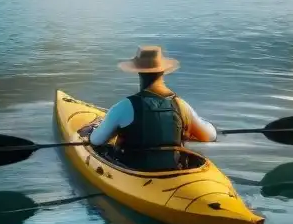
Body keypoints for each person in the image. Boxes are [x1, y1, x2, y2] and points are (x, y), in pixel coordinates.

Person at [78, 46, 217, 171]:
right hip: (172, 169)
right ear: (163, 72)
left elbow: (96, 140)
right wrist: (197, 122)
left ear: (138, 72)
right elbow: (210, 136)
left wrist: (93, 129)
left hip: (134, 171)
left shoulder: (125, 106)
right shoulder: (181, 106)